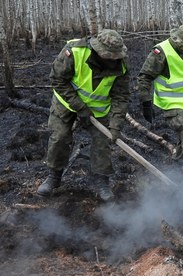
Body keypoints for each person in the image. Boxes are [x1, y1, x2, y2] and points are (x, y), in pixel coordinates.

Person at [37, 29, 130, 201]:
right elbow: (57, 79)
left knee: (102, 142)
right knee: (60, 137)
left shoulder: (121, 64)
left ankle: (102, 181)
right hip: (65, 102)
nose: (112, 59)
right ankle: (54, 177)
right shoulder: (74, 51)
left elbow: (121, 96)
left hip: (98, 110)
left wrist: (116, 125)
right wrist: (79, 107)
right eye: (108, 55)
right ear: (97, 50)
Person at [137, 24, 183, 177]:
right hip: (170, 103)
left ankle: (176, 165)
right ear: (177, 40)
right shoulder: (161, 52)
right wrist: (145, 102)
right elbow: (145, 76)